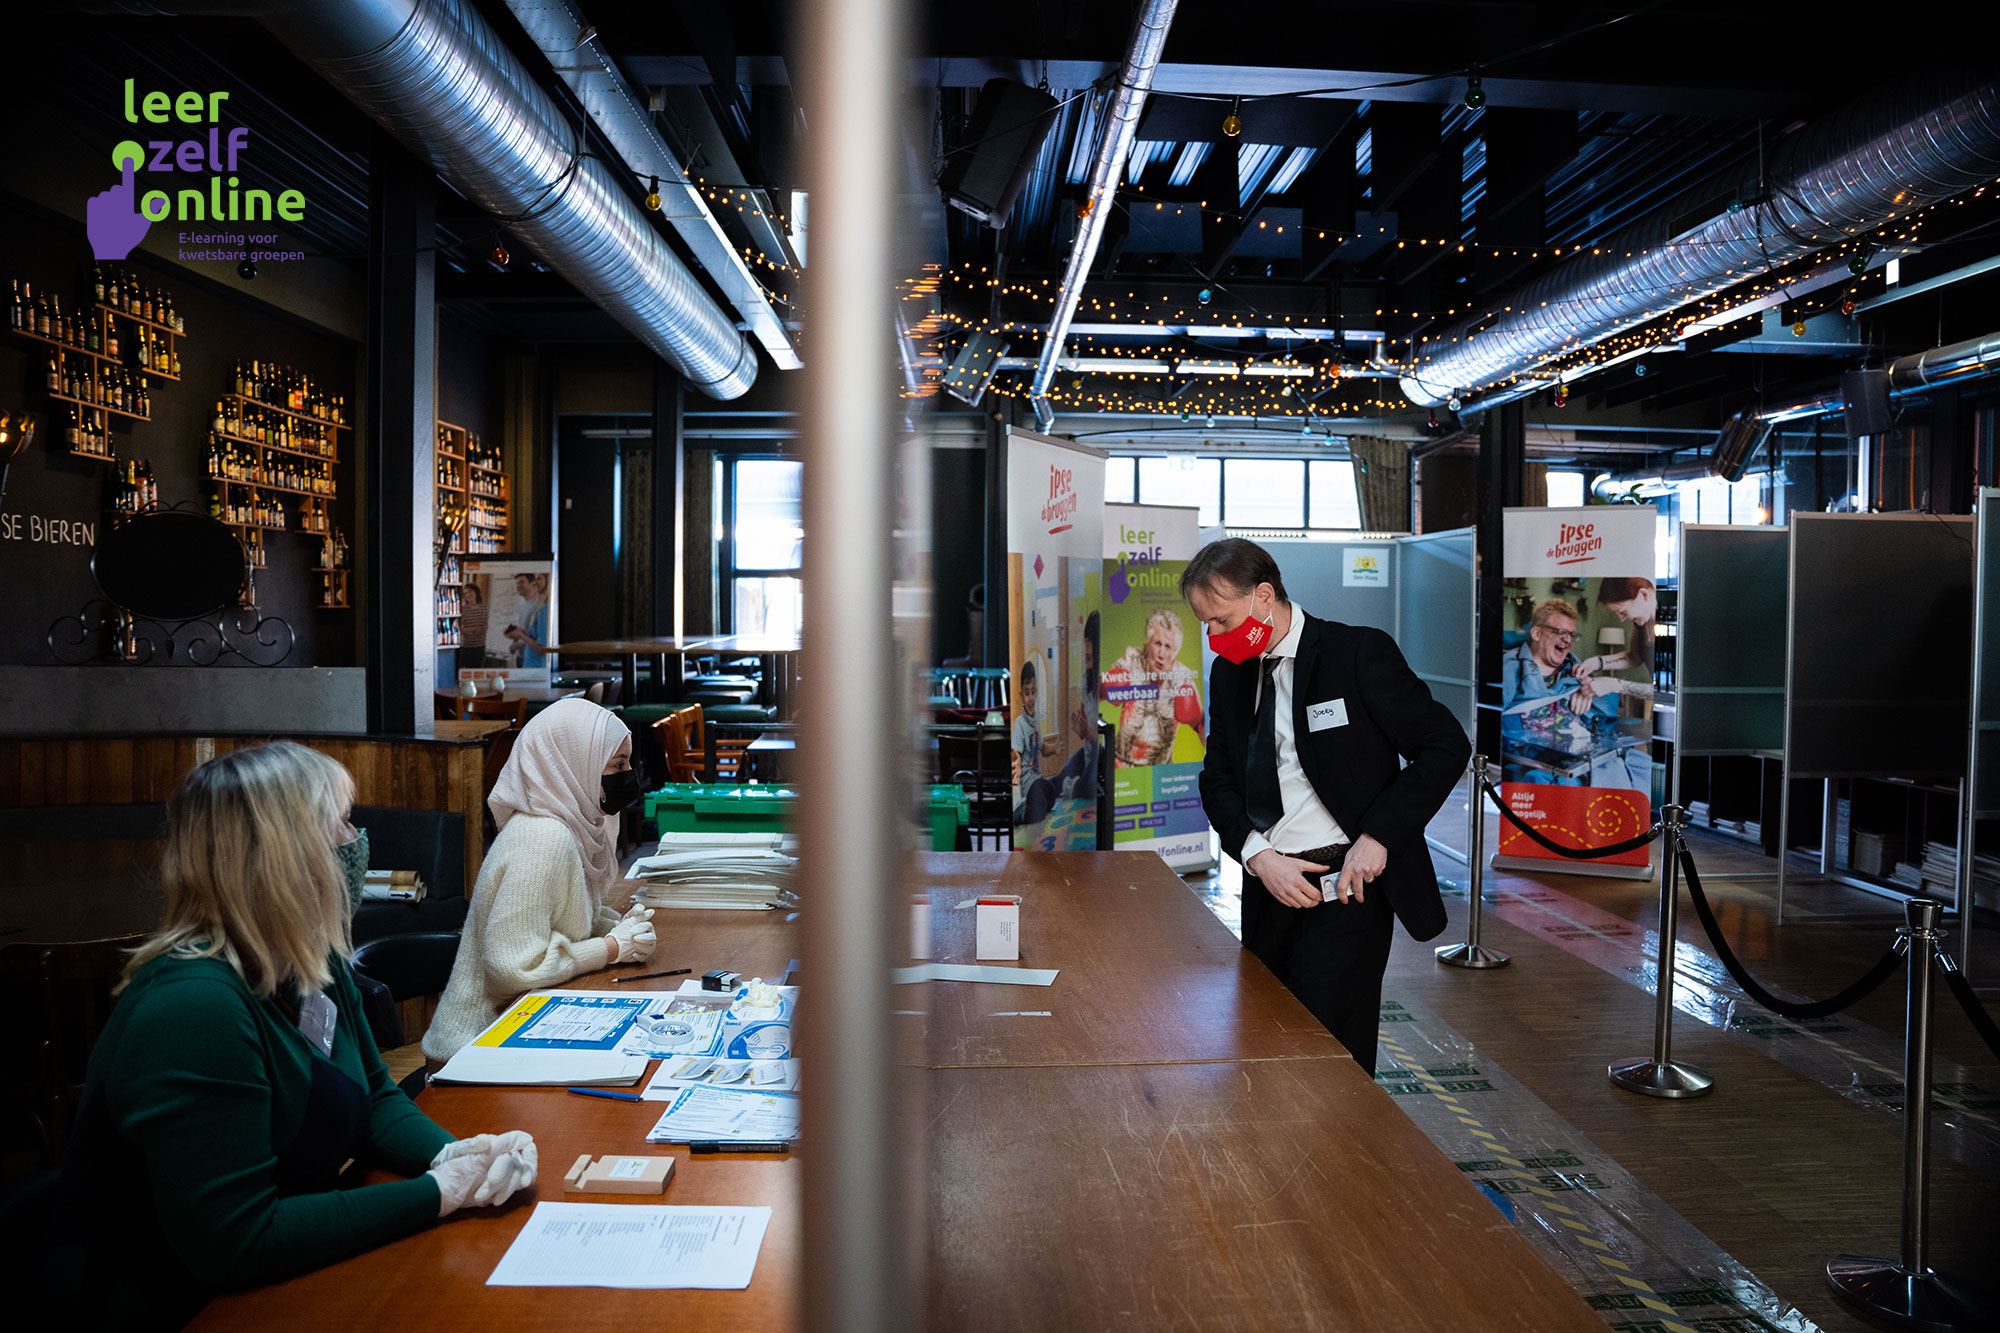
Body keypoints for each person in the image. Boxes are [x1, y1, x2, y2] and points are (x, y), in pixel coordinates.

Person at [66, 742, 538, 1330]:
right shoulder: (192, 1008)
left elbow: (374, 1093)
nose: (357, 839)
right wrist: (438, 1193)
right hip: (185, 1306)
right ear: (282, 857)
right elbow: (239, 1242)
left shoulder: (309, 957)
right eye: (339, 823)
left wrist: (450, 1153)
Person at [1184, 539, 1468, 1074]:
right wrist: (1256, 856)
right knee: (1268, 1041)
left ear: (1264, 596)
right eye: (1205, 625)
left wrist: (1379, 837)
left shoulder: (1355, 654)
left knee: (1332, 1056)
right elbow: (1217, 779)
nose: (1213, 637)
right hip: (1269, 886)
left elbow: (1445, 746)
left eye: (1221, 621)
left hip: (1347, 890)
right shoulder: (1231, 674)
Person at [423, 699, 657, 1061]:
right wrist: (611, 948)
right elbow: (513, 969)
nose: (629, 775)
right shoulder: (542, 838)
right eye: (618, 765)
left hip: (516, 1029)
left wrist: (620, 926)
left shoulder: (570, 823)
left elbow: (565, 919)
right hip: (473, 1049)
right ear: (575, 763)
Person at [1106, 606, 1204, 766]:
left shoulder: (1182, 678)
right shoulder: (1131, 662)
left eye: (1168, 647)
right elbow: (1097, 693)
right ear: (1147, 644)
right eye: (1158, 644)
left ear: (1175, 652)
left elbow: (1204, 730)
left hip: (1163, 774)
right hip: (1123, 769)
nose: (1161, 654)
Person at [1573, 576, 1656, 704]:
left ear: (1643, 595)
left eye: (1622, 612)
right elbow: (1634, 657)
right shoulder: (1641, 623)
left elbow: (1663, 692)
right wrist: (1597, 662)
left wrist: (1615, 685)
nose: (1622, 619)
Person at [502, 571, 551, 668]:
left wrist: (519, 637)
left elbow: (542, 646)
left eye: (522, 582)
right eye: (517, 583)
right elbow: (530, 634)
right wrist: (516, 637)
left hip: (535, 663)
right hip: (524, 658)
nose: (518, 586)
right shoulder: (523, 607)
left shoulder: (541, 608)